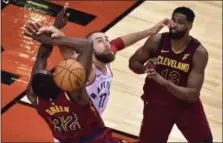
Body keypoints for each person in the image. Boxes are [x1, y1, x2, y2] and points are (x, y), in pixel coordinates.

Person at [36, 16, 175, 116]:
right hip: (78, 132)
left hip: (92, 124)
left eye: (106, 39)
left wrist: (150, 31)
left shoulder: (104, 58)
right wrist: (58, 34)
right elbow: (67, 50)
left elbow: (120, 42)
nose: (107, 43)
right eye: (100, 41)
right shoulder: (85, 69)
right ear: (90, 49)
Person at [25, 6, 123, 143]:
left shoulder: (33, 97)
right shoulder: (74, 95)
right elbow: (87, 46)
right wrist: (52, 37)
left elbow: (41, 58)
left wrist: (55, 27)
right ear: (58, 84)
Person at [129, 7, 213, 142]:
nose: (174, 25)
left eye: (180, 22)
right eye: (173, 20)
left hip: (185, 106)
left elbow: (192, 94)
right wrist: (145, 68)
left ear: (190, 26)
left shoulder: (198, 52)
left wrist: (164, 82)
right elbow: (133, 62)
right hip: (157, 104)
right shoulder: (156, 41)